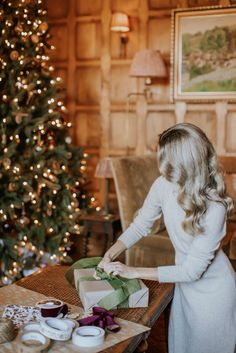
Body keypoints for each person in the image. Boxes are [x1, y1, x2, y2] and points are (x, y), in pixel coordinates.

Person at [98, 123, 236, 353]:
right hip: (183, 288)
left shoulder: (215, 206)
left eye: (164, 158)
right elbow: (141, 225)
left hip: (214, 296)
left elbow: (192, 271)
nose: (160, 163)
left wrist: (132, 271)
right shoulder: (163, 184)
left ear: (183, 162)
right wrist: (111, 252)